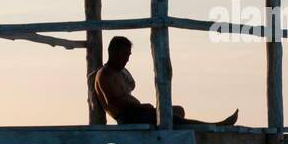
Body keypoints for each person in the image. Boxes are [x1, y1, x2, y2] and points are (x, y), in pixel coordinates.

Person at [92, 35, 238, 127]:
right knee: (170, 118)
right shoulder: (105, 74)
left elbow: (131, 86)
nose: (127, 59)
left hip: (137, 113)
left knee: (178, 110)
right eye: (124, 54)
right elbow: (114, 102)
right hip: (129, 119)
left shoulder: (119, 73)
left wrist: (142, 107)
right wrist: (141, 107)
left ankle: (205, 126)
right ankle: (214, 126)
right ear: (113, 52)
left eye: (128, 55)